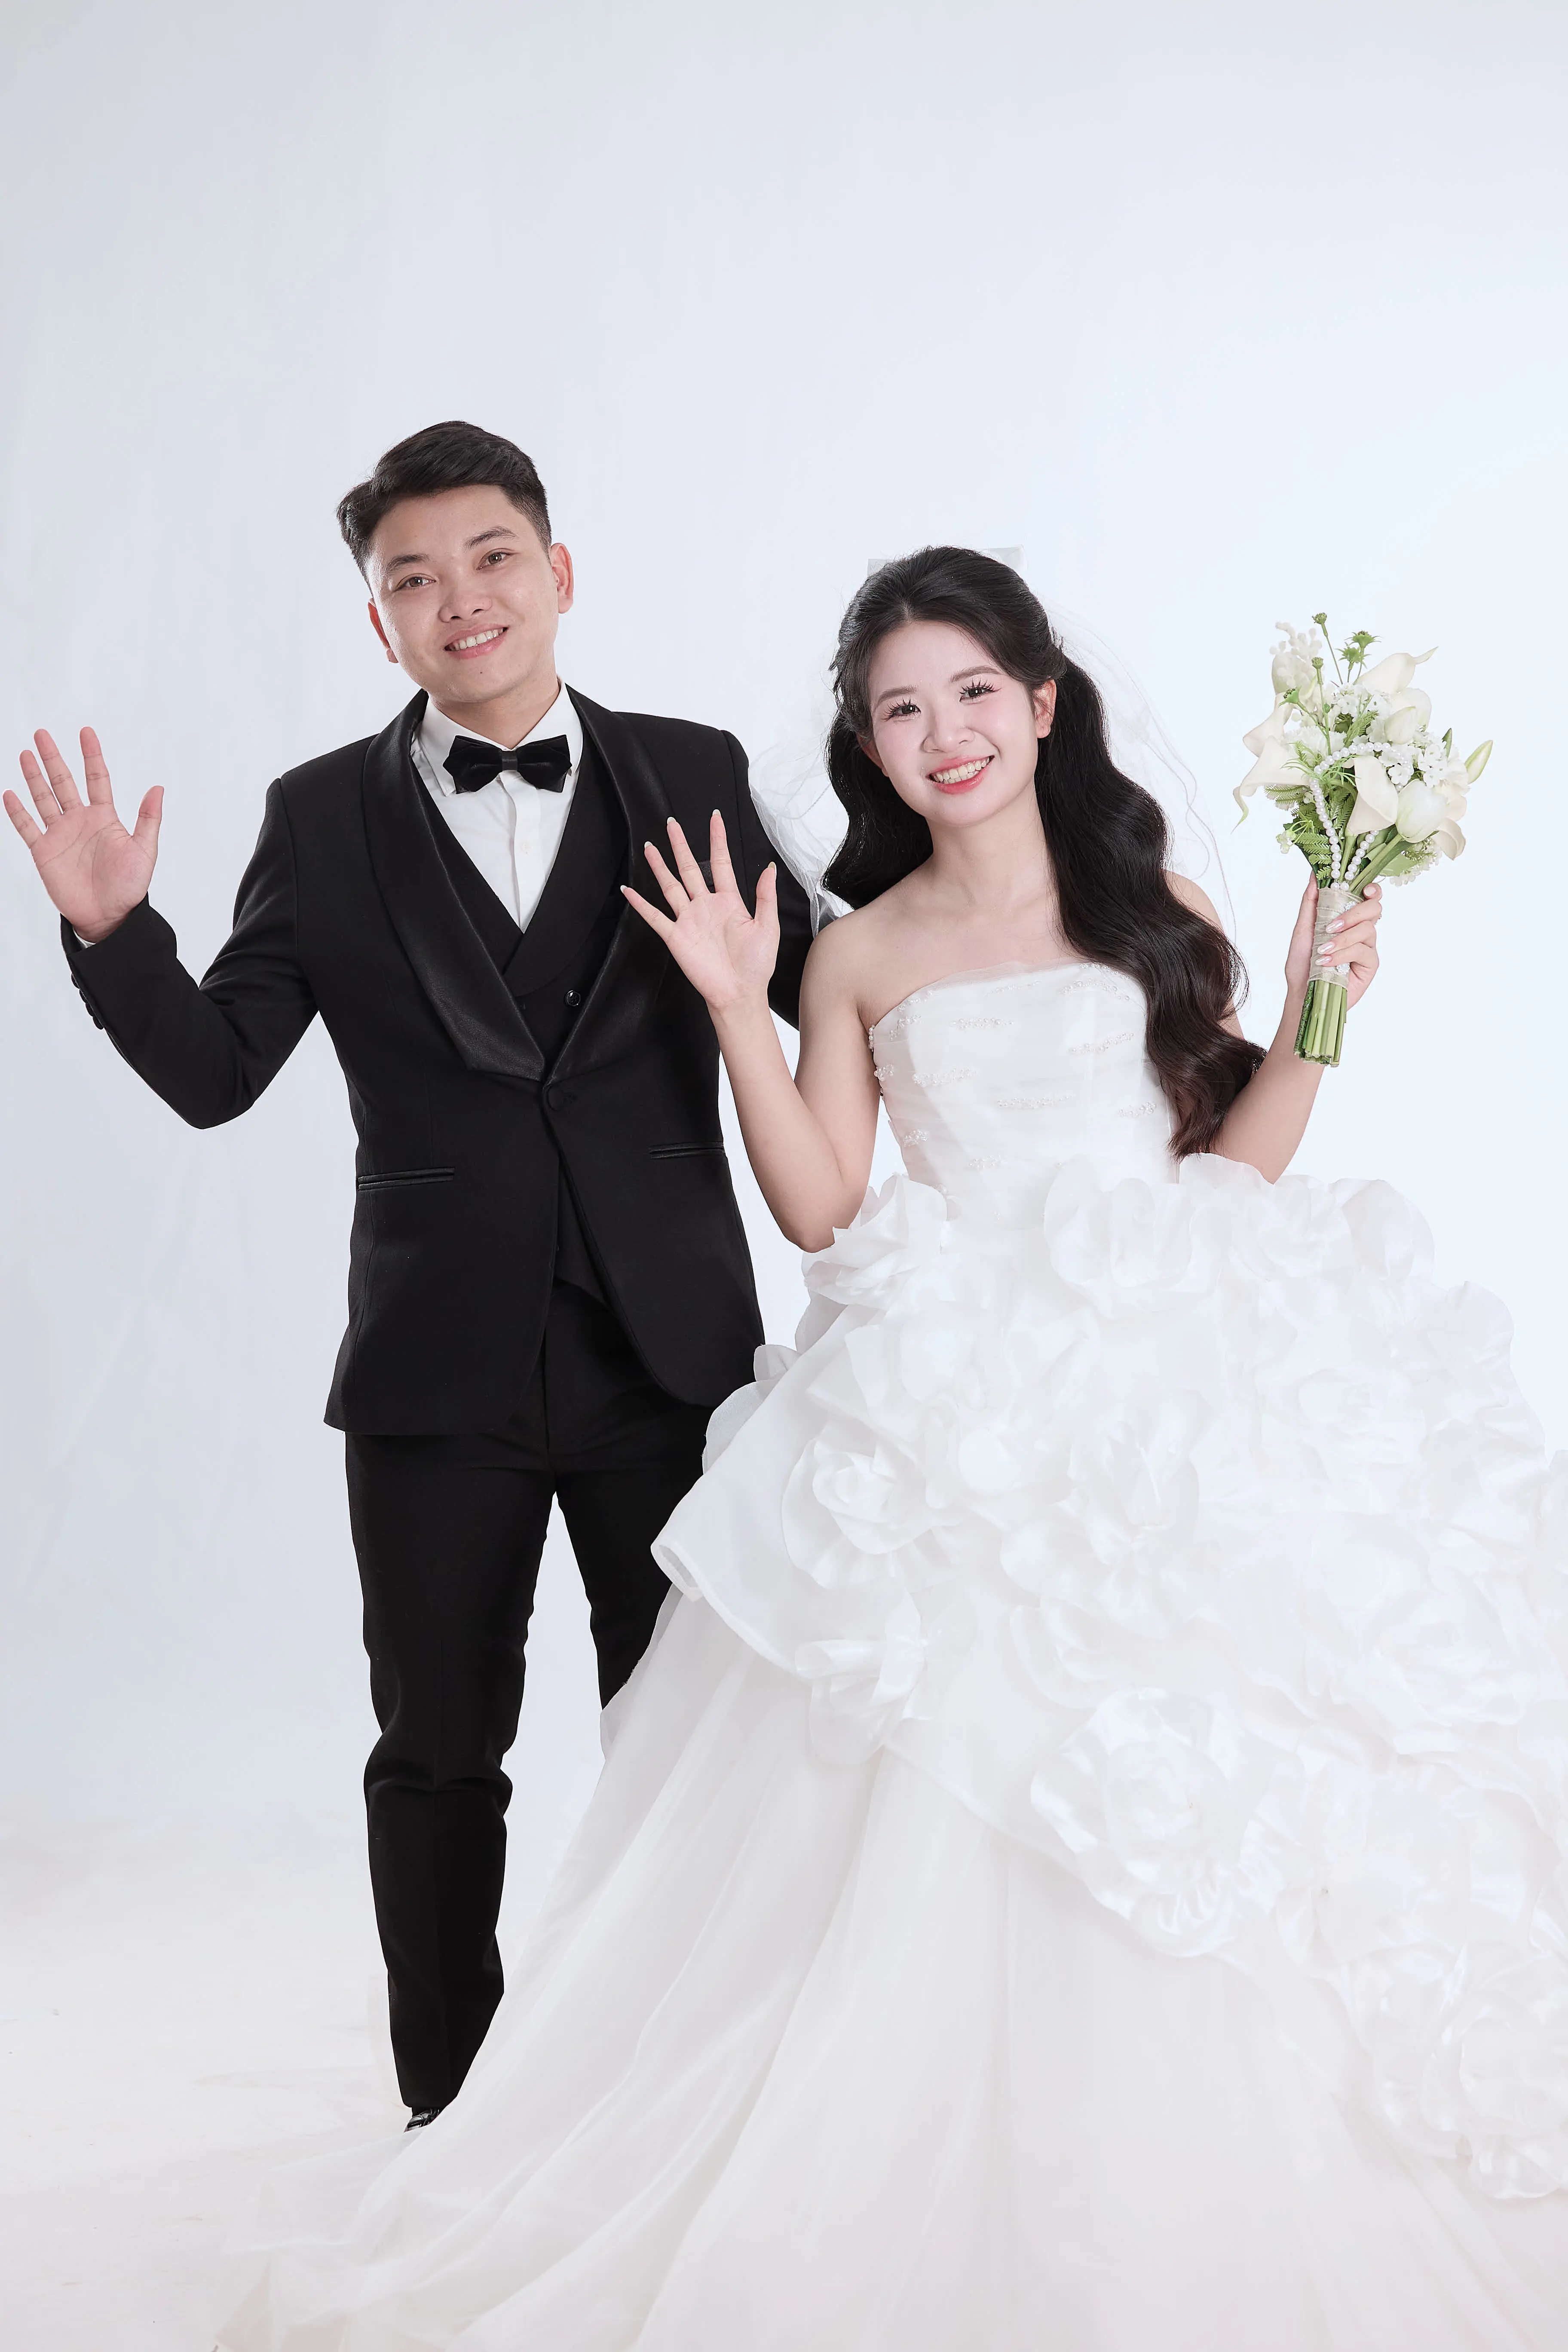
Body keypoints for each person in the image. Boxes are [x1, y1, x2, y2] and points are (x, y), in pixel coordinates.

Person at [223, 545, 1568, 2347]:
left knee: (1227, 1767)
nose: (945, 735)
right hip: (956, 1399)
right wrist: (735, 1002)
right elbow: (824, 1211)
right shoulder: (855, 949)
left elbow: (1228, 1170)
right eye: (899, 710)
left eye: (973, 694)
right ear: (868, 745)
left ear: (1045, 704)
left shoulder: (1152, 902)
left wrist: (1327, 1005)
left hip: (1173, 1379)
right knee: (931, 1776)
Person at [3, 420, 812, 2128]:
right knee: (437, 1757)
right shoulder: (319, 817)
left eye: (492, 557)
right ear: (379, 623)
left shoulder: (694, 770)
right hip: (436, 1374)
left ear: (558, 572)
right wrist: (112, 936)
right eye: (414, 579)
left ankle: (684, 2104)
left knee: (694, 1746)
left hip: (673, 1355)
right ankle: (450, 2111)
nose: (462, 599)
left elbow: (839, 988)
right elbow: (220, 1073)